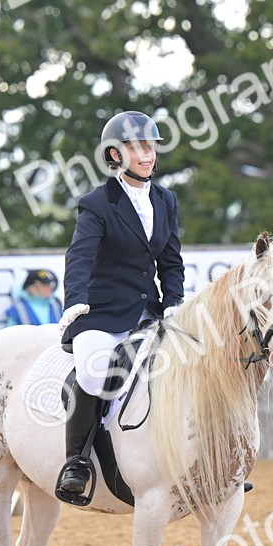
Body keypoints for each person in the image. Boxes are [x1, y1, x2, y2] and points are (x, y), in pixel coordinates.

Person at [55, 110, 185, 502]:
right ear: (115, 154)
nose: (147, 154)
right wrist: (76, 300)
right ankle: (76, 462)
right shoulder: (97, 204)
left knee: (191, 364)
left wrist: (175, 301)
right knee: (94, 375)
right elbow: (79, 257)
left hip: (150, 314)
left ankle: (204, 461)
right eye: (137, 147)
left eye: (151, 146)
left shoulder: (166, 200)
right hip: (104, 314)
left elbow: (171, 261)